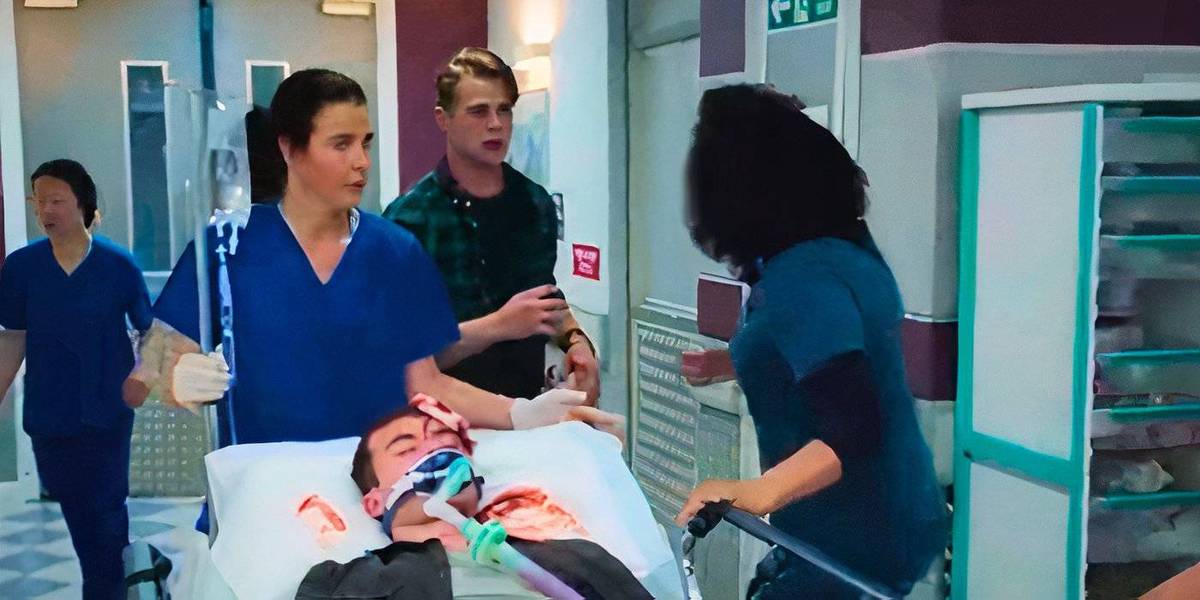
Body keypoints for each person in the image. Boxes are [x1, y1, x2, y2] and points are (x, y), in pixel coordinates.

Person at [123, 69, 613, 482]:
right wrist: (176, 382)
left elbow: (426, 383)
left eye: (365, 143)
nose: (361, 162)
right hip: (266, 487)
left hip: (378, 489)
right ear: (289, 148)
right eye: (341, 145)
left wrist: (521, 413)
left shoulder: (394, 252)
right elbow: (140, 380)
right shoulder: (228, 247)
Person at [673, 85, 948, 599]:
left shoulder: (801, 278)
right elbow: (840, 355)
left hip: (854, 537)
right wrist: (731, 361)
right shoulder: (846, 251)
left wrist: (755, 492)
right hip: (887, 519)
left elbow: (852, 428)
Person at [384, 48, 600, 404]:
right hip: (442, 417)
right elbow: (399, 358)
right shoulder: (410, 219)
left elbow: (544, 296)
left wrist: (576, 342)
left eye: (504, 110)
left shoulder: (535, 202)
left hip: (528, 409)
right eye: (479, 111)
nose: (496, 124)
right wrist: (499, 326)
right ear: (443, 119)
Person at [0, 159, 154, 599]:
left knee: (106, 516)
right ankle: (124, 578)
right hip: (50, 417)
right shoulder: (22, 268)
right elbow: (13, 338)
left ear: (82, 203)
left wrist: (143, 377)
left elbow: (152, 332)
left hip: (107, 415)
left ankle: (109, 589)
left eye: (56, 201)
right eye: (38, 202)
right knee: (82, 518)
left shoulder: (117, 265)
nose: (45, 211)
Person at [335, 394, 648, 599]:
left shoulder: (576, 556)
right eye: (406, 448)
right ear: (375, 502)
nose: (435, 448)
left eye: (445, 440)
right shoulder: (352, 583)